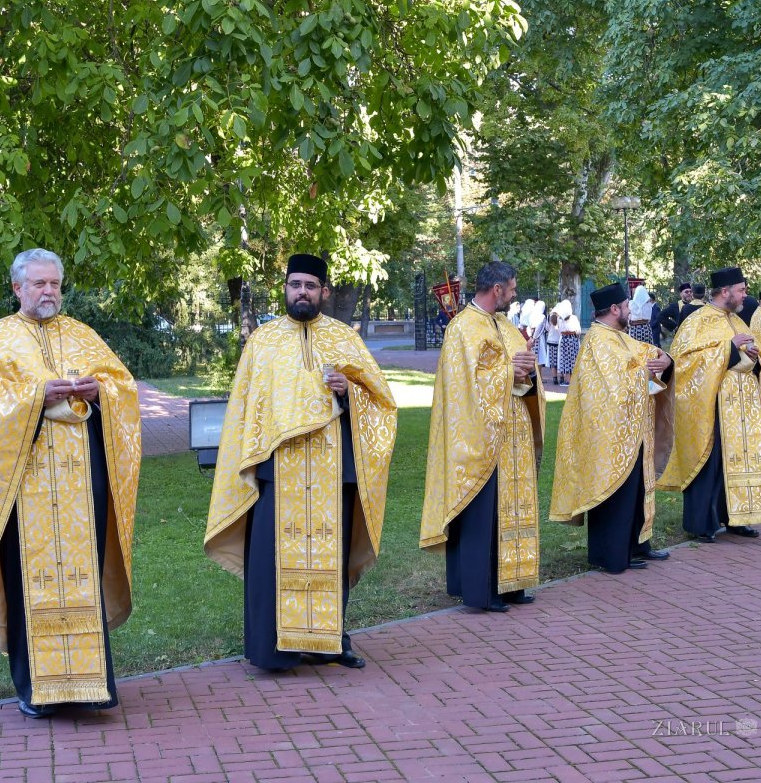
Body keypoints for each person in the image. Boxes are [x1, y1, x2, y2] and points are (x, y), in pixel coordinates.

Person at [0, 248, 142, 719]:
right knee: (27, 582)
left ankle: (89, 686)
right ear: (17, 288)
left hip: (84, 484)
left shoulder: (83, 336)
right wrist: (36, 396)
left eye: (55, 283)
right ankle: (35, 691)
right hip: (24, 489)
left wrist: (102, 392)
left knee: (85, 577)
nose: (49, 292)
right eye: (39, 284)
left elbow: (124, 387)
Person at [205, 253, 397, 672]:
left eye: (311, 286)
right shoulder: (264, 341)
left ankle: (330, 642)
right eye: (295, 285)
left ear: (324, 292)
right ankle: (274, 650)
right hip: (279, 469)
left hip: (334, 468)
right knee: (273, 561)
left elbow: (382, 401)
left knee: (332, 556)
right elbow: (245, 409)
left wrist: (349, 390)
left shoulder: (346, 339)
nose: (303, 292)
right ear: (286, 289)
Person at [421, 261, 544, 613]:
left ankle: (513, 582)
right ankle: (483, 590)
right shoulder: (463, 328)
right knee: (483, 513)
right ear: (497, 290)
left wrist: (526, 368)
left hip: (513, 432)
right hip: (480, 435)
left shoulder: (505, 325)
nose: (515, 293)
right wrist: (511, 371)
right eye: (513, 288)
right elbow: (464, 385)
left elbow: (519, 370)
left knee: (513, 509)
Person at [550, 283, 674, 572]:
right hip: (609, 434)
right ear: (615, 309)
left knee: (636, 490)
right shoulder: (597, 342)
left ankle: (636, 545)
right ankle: (611, 555)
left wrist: (666, 362)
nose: (631, 311)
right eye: (628, 306)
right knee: (616, 493)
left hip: (634, 430)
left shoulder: (620, 338)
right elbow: (612, 388)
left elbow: (648, 362)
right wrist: (646, 372)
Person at [658, 267, 761, 542]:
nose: (746, 296)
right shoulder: (697, 320)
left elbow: (757, 355)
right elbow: (684, 362)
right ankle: (702, 523)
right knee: (710, 462)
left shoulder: (737, 320)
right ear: (725, 292)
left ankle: (737, 516)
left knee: (737, 461)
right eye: (742, 290)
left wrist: (755, 355)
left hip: (741, 407)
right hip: (712, 405)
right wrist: (730, 348)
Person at [553, 298, 582, 386]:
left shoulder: (559, 319)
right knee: (573, 359)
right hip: (572, 340)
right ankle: (572, 380)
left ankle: (568, 379)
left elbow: (559, 330)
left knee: (565, 360)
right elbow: (578, 330)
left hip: (564, 340)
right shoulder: (573, 318)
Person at [545, 310, 562, 385]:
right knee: (560, 359)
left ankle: (554, 378)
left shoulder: (549, 318)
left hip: (551, 341)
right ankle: (562, 377)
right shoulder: (560, 319)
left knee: (553, 361)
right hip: (558, 341)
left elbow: (547, 328)